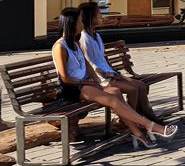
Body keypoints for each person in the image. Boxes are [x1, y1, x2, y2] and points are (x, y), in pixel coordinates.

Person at [52, 9, 173, 145]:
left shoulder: (75, 43)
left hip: (86, 85)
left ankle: (137, 133)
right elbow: (65, 78)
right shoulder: (60, 47)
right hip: (72, 88)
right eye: (80, 21)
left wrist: (96, 80)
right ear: (72, 23)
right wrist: (88, 83)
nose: (82, 23)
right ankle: (152, 126)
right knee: (111, 99)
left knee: (115, 92)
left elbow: (87, 65)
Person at [77, 2, 148, 121]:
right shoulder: (84, 38)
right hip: (100, 77)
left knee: (140, 85)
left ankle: (141, 116)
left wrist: (114, 72)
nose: (101, 17)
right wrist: (106, 74)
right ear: (90, 17)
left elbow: (102, 58)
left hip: (110, 74)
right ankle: (128, 120)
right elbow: (89, 63)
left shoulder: (96, 35)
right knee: (133, 89)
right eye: (98, 14)